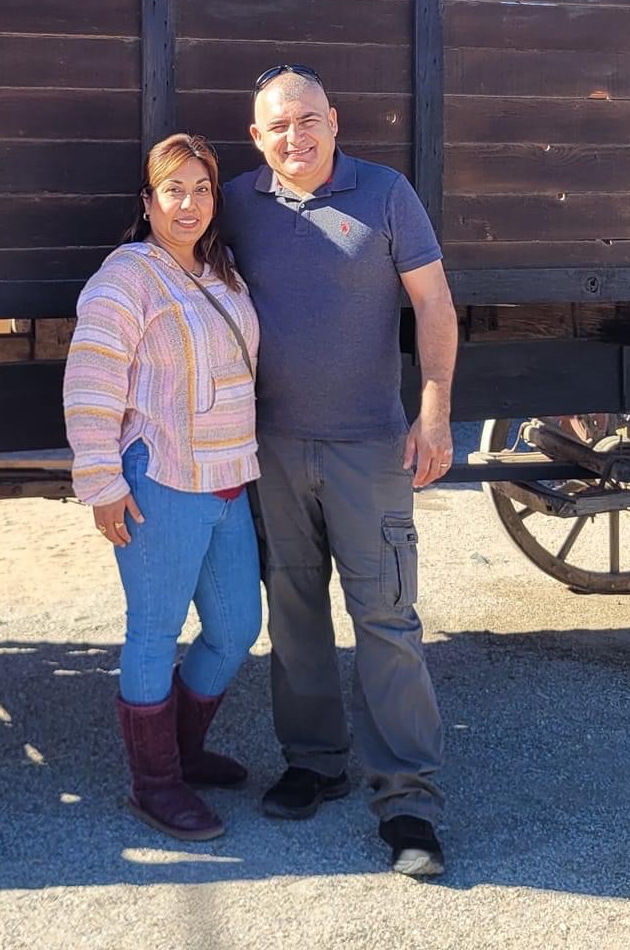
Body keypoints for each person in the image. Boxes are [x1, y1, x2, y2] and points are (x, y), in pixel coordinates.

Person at [221, 64, 458, 879]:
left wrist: (433, 409)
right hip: (275, 449)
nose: (297, 136)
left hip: (370, 446)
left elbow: (433, 303)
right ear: (258, 138)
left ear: (335, 118)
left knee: (387, 618)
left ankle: (410, 801)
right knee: (293, 612)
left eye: (309, 119)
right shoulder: (239, 205)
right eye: (279, 126)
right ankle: (315, 763)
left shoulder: (386, 193)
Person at [62, 132, 264, 842]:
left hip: (229, 476)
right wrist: (102, 482)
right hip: (163, 478)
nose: (189, 203)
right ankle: (155, 784)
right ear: (147, 202)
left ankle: (180, 750)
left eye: (201, 188)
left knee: (239, 625)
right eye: (173, 190)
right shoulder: (127, 277)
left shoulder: (222, 271)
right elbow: (90, 383)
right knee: (153, 630)